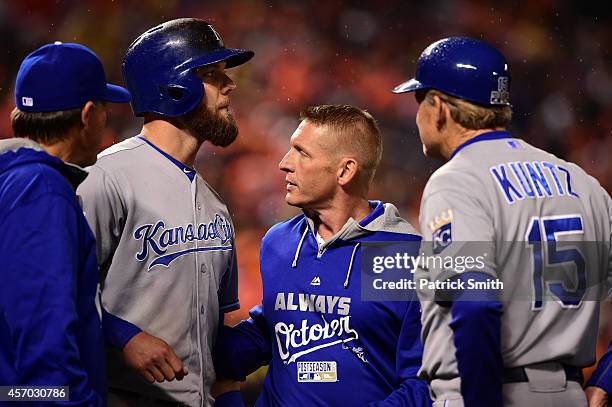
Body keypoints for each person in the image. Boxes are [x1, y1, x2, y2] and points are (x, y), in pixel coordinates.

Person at [392, 37, 612, 407]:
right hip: (570, 394)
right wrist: (605, 381)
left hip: (489, 393)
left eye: (419, 101)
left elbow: (476, 303)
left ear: (440, 108)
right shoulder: (581, 181)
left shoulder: (457, 180)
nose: (416, 116)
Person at [76, 18, 253, 407]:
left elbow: (216, 337)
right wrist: (123, 337)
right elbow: (54, 291)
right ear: (174, 87)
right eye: (212, 75)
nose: (230, 86)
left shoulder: (214, 204)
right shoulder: (106, 178)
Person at [214, 104, 431, 406]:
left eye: (302, 153)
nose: (283, 163)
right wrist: (208, 353)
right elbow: (277, 325)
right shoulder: (279, 242)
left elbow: (422, 384)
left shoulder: (404, 255)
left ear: (345, 170)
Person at [0, 42, 131, 405]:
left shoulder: (11, 179)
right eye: (105, 110)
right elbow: (44, 340)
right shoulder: (41, 189)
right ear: (88, 115)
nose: (106, 121)